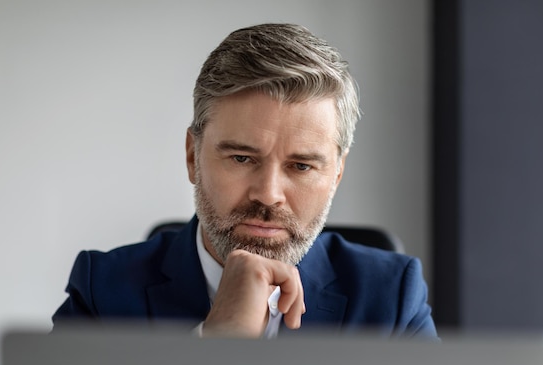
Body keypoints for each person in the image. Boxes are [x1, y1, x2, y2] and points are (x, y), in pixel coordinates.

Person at [52, 23, 437, 339]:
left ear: (336, 173)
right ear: (192, 157)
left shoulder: (391, 297)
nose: (268, 194)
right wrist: (216, 341)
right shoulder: (102, 290)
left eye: (301, 166)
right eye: (241, 158)